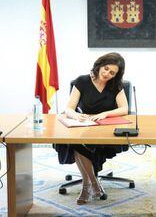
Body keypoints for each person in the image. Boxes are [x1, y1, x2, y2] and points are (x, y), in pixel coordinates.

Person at [54, 52, 128, 205]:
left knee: (78, 146)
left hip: (105, 130)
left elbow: (124, 109)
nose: (107, 74)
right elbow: (68, 108)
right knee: (76, 143)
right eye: (106, 68)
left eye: (112, 73)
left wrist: (105, 114)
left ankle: (88, 185)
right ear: (100, 65)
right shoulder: (82, 81)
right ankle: (92, 184)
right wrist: (75, 116)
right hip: (84, 126)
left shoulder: (115, 85)